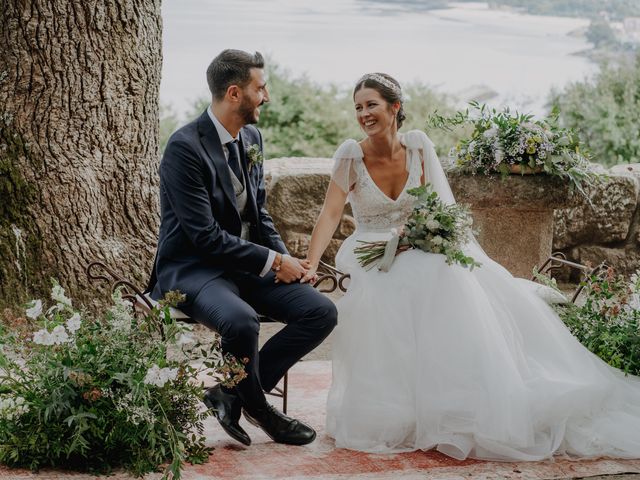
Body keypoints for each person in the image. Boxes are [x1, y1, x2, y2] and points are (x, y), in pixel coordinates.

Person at [302, 72, 640, 460]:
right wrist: (312, 261)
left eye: (372, 105)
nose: (364, 114)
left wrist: (428, 237)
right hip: (370, 246)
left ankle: (456, 398)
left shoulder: (417, 147)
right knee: (387, 288)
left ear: (395, 107)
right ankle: (393, 409)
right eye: (358, 107)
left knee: (446, 275)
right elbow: (330, 214)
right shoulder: (351, 154)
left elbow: (440, 209)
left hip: (417, 242)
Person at [147, 49, 337, 447]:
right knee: (241, 322)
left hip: (246, 267)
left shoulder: (251, 136)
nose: (266, 96)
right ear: (235, 93)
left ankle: (231, 395)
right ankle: (264, 412)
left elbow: (259, 212)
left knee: (320, 312)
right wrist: (272, 261)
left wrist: (288, 260)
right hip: (195, 269)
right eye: (260, 88)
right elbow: (204, 236)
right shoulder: (184, 147)